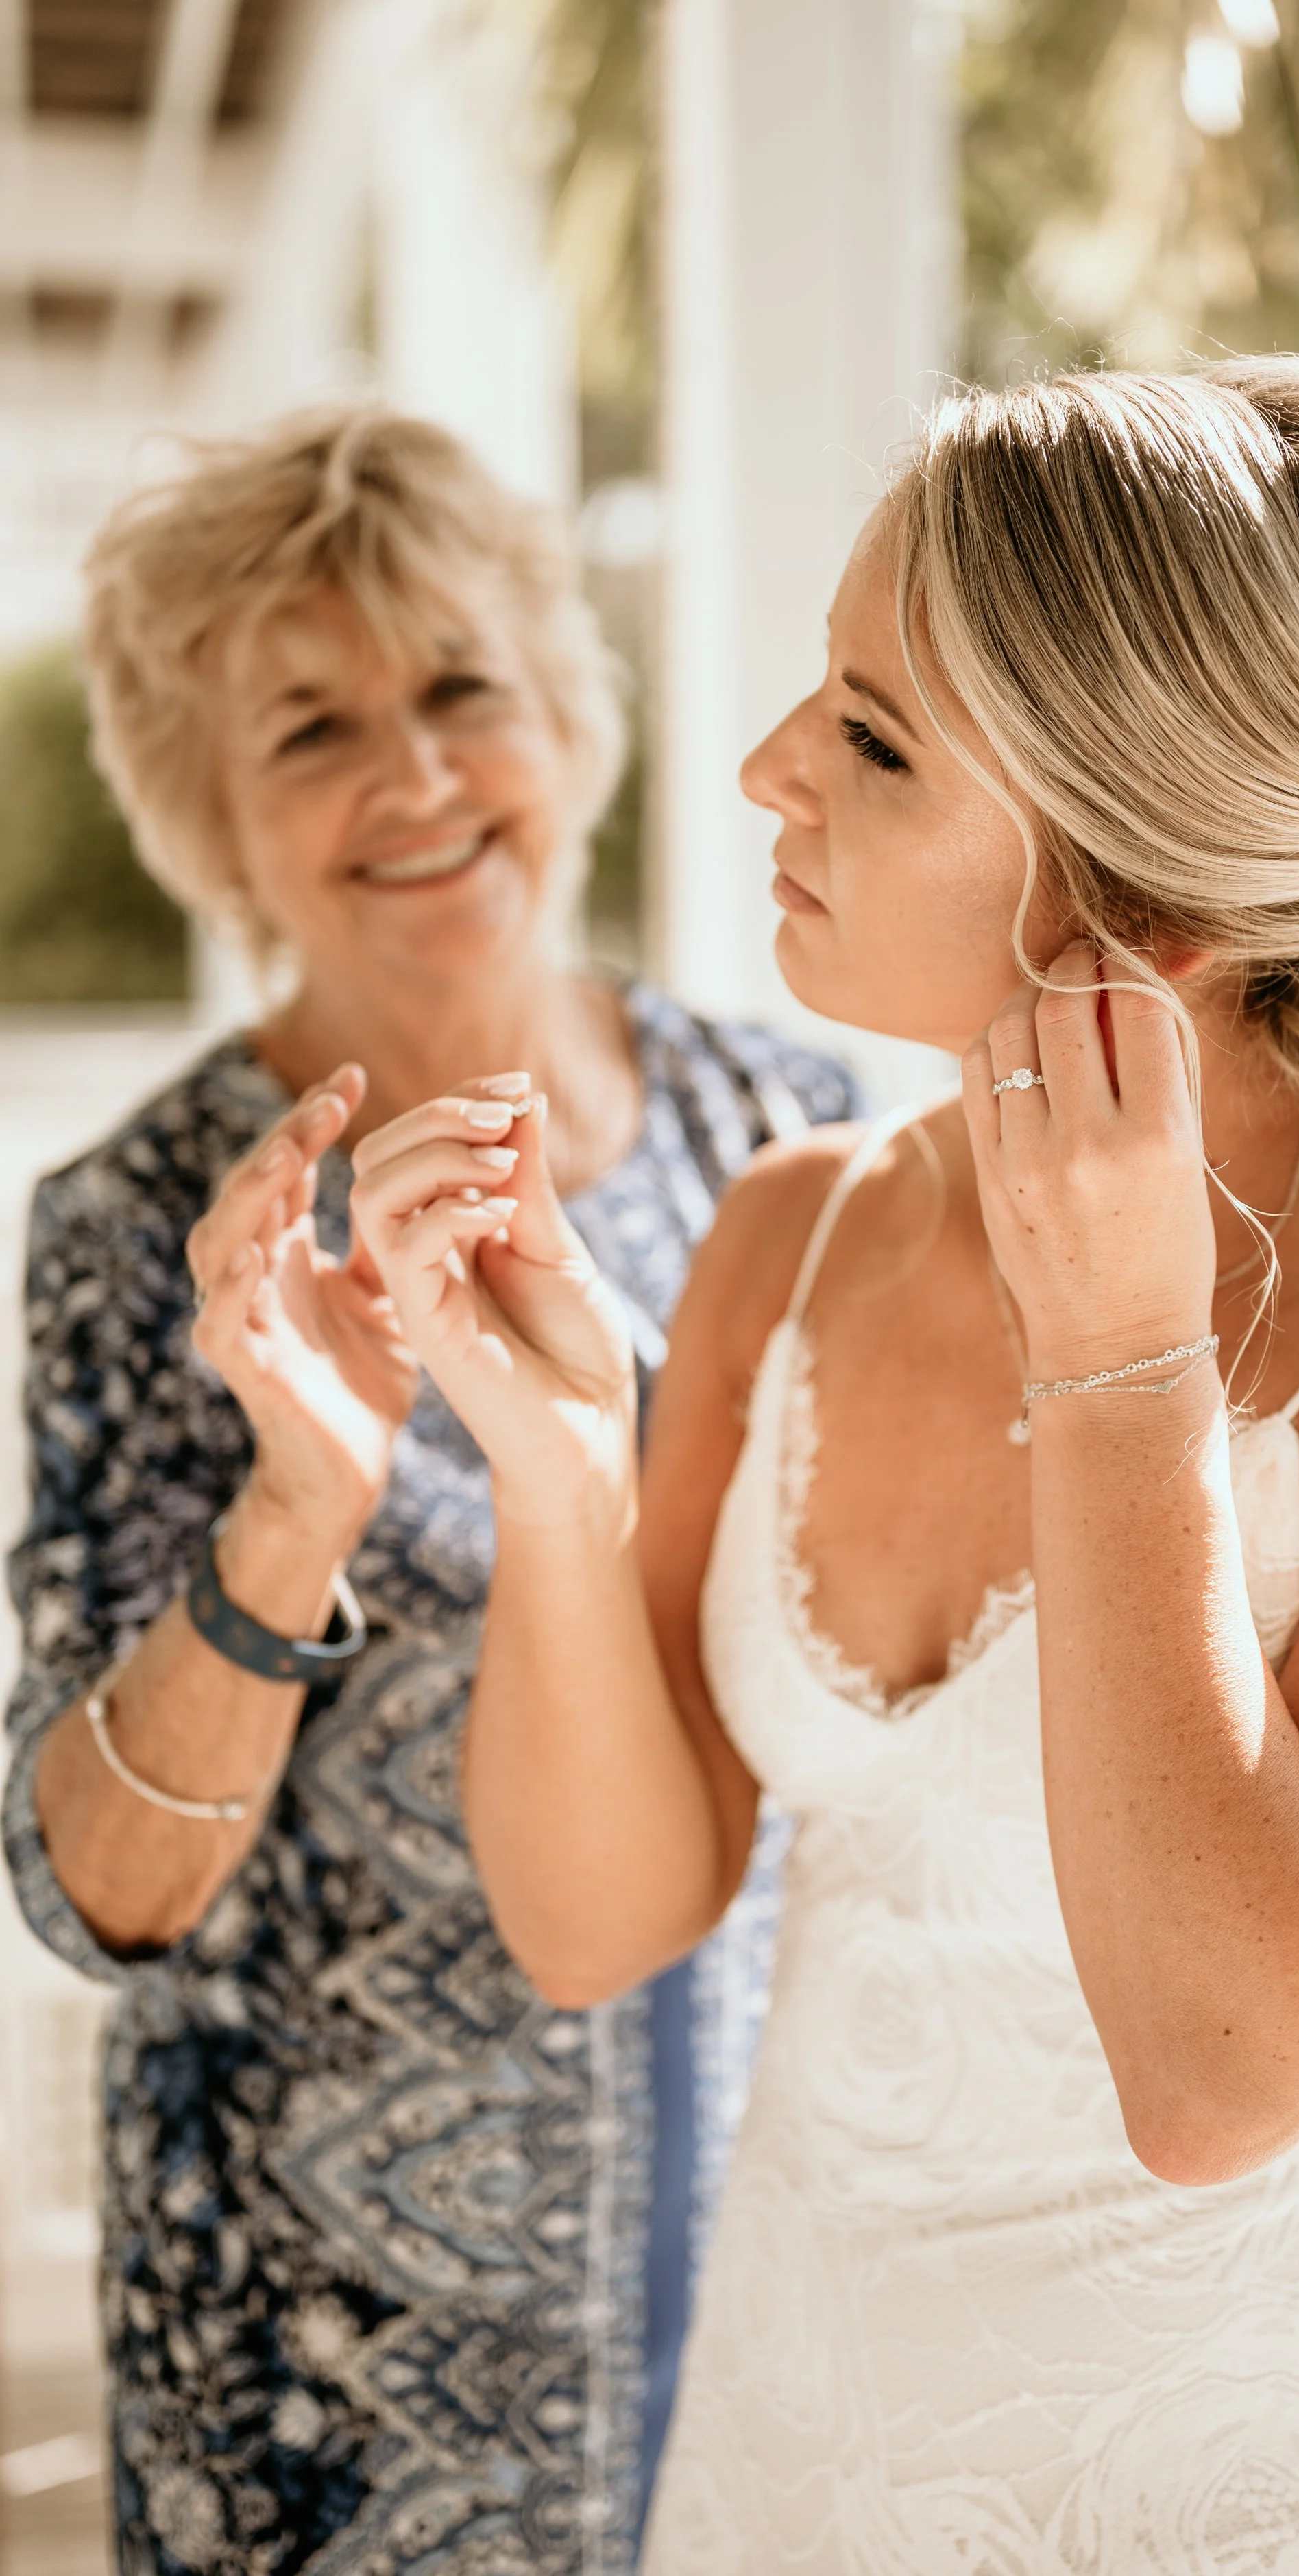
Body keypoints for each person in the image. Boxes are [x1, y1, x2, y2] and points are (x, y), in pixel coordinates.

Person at [345, 361, 1299, 2573]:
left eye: (872, 740)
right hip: (782, 2446)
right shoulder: (793, 1228)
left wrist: (1127, 1357)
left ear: (1146, 901)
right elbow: (594, 1925)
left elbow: (1219, 2072)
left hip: (1208, 2505)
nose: (771, 758)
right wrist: (561, 1481)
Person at [3, 407, 857, 2576]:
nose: (414, 775)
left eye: (462, 685)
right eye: (310, 727)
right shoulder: (138, 1229)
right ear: (215, 816)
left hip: (766, 2268)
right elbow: (93, 1890)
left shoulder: (794, 1131)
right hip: (316, 2356)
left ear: (564, 715)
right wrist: (298, 1502)